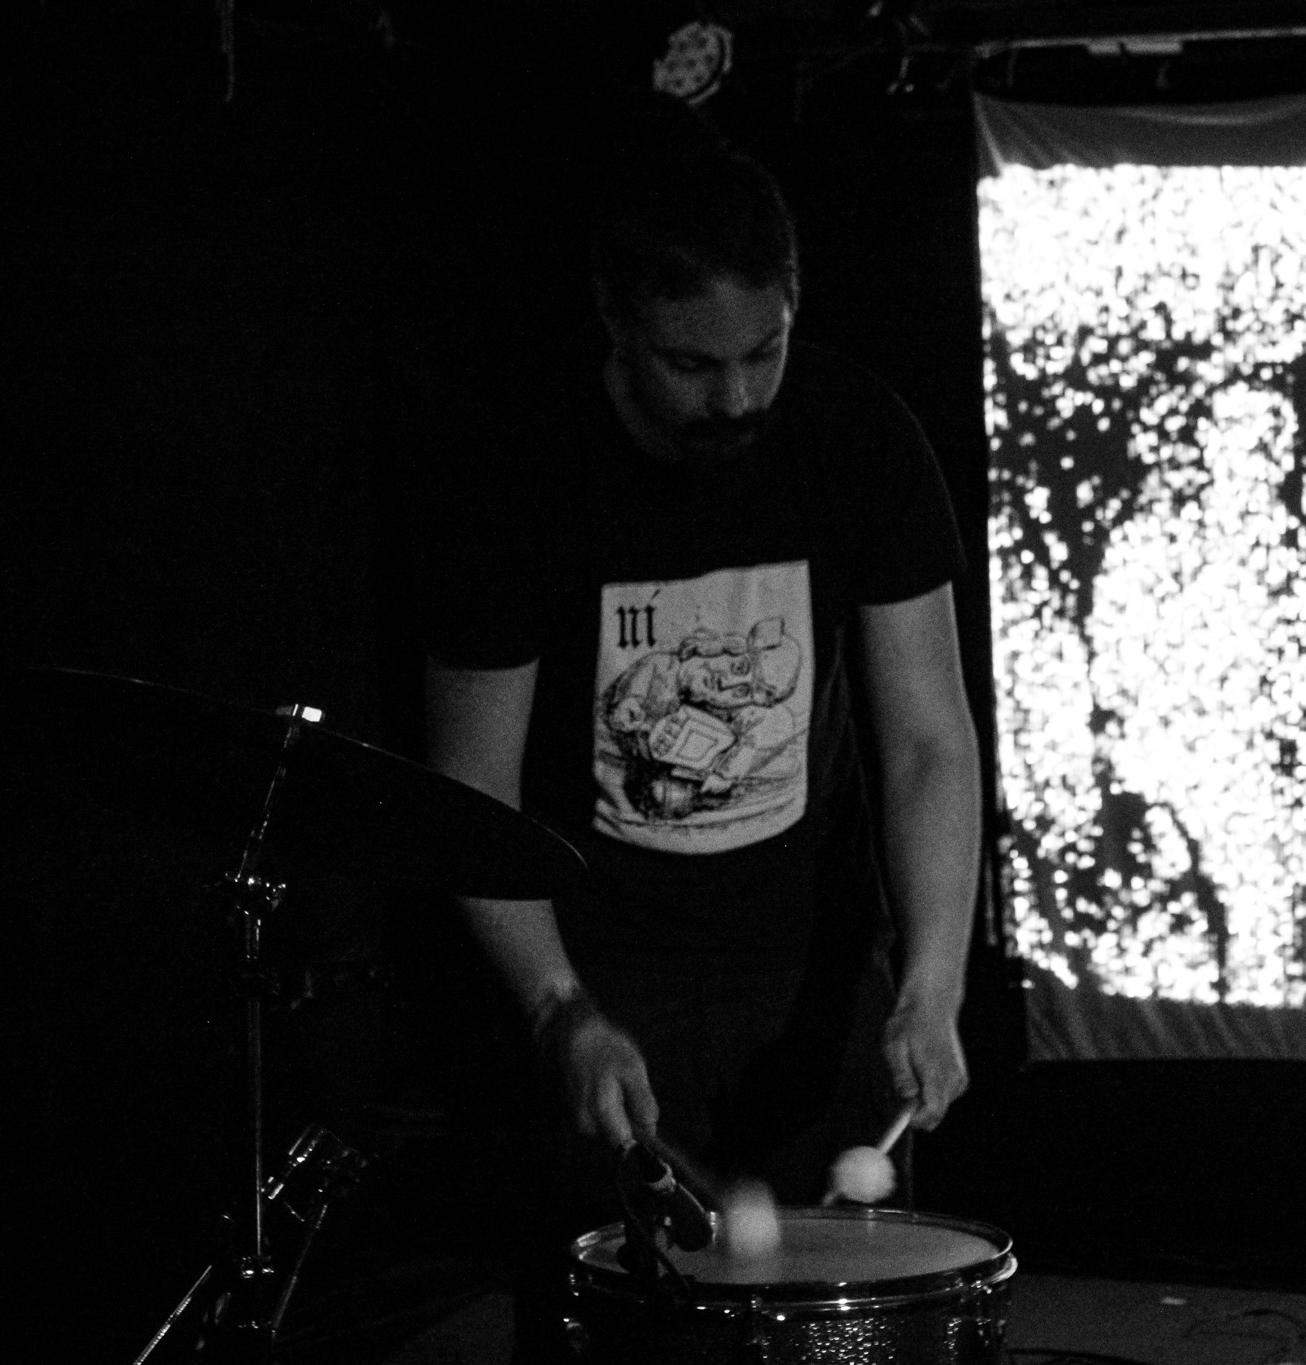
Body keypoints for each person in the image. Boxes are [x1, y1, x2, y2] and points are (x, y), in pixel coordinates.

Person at [416, 107, 979, 1217]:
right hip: (602, 971)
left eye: (763, 352)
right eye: (691, 364)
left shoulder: (858, 437)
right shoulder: (519, 481)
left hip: (817, 975)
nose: (736, 399)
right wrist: (560, 1010)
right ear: (613, 319)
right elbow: (468, 793)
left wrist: (932, 983)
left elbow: (926, 741)